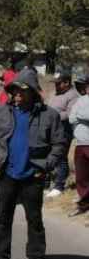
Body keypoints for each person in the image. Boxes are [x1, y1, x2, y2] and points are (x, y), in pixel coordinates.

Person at [0, 69, 66, 259]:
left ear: (33, 92)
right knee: (3, 218)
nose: (17, 95)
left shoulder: (49, 115)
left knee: (34, 220)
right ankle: (1, 258)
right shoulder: (1, 112)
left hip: (34, 175)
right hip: (7, 174)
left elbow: (59, 143)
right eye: (14, 91)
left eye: (22, 91)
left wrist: (46, 166)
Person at [46, 70, 80, 199]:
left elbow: (70, 114)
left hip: (64, 130)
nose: (56, 85)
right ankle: (47, 182)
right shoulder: (55, 92)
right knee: (48, 154)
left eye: (59, 83)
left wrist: (52, 116)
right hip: (50, 128)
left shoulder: (73, 95)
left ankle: (59, 186)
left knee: (61, 157)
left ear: (66, 82)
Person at [69, 72, 89, 217]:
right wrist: (81, 115)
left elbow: (81, 116)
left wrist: (80, 115)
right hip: (80, 144)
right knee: (81, 177)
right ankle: (84, 204)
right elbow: (71, 118)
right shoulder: (80, 100)